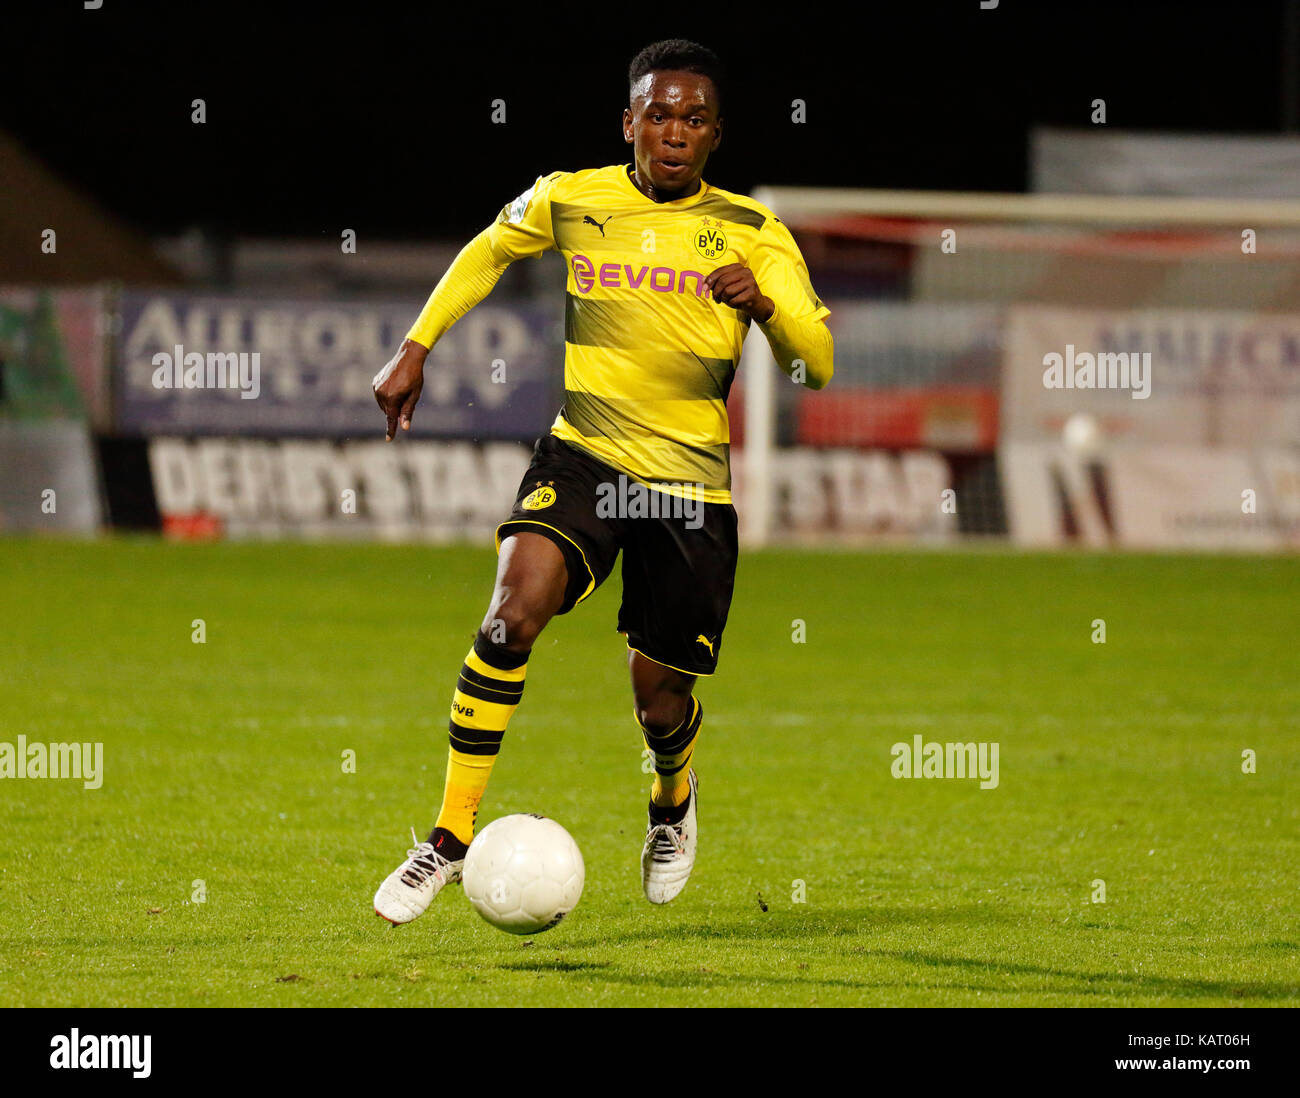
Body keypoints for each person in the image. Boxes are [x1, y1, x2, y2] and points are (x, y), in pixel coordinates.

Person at [372, 38, 832, 924]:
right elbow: (485, 252)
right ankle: (447, 839)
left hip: (688, 490)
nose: (674, 132)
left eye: (693, 119)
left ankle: (672, 797)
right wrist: (417, 344)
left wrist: (768, 310)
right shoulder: (571, 197)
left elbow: (819, 365)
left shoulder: (755, 235)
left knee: (660, 697)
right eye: (658, 114)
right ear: (629, 122)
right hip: (583, 454)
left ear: (715, 136)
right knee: (509, 619)